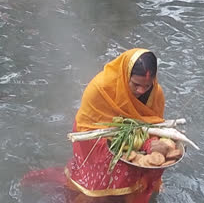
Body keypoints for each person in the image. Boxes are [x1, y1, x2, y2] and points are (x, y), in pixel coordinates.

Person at [65, 49, 165, 202]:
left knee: (148, 165)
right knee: (106, 176)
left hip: (135, 140)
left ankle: (128, 190)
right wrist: (125, 144)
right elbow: (87, 126)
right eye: (136, 84)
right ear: (126, 74)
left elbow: (154, 124)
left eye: (147, 85)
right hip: (97, 138)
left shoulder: (155, 93)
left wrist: (150, 143)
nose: (141, 90)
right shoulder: (101, 87)